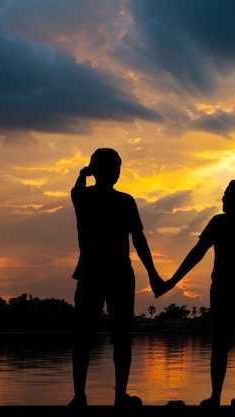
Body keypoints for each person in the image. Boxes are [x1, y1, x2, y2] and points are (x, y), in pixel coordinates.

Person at [68, 148, 164, 407]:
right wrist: (153, 274)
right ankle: (86, 396)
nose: (117, 172)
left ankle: (104, 395)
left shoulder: (87, 196)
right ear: (101, 170)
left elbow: (139, 240)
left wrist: (153, 274)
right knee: (91, 337)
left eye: (119, 168)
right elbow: (139, 239)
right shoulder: (113, 200)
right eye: (114, 168)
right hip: (102, 273)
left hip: (111, 273)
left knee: (109, 338)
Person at [161, 179, 235, 408]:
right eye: (225, 193)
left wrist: (171, 282)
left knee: (227, 345)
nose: (223, 198)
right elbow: (197, 253)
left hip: (229, 291)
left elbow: (197, 253)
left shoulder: (221, 223)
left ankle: (223, 397)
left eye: (228, 194)